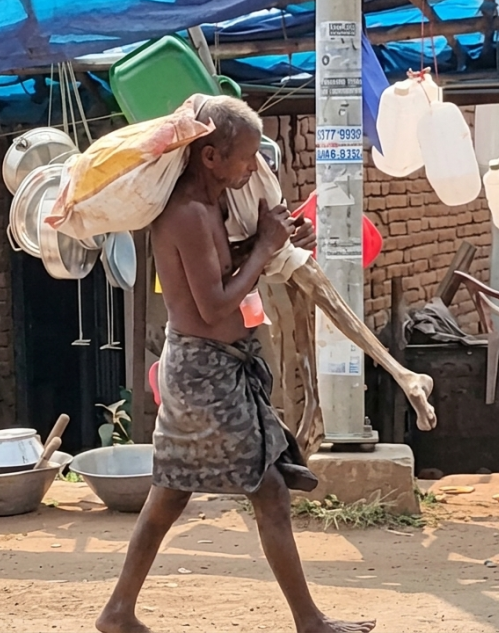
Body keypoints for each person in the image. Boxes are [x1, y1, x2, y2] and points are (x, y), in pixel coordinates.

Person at [96, 96, 375, 633]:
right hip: (204, 374)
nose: (254, 169)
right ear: (210, 157)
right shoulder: (186, 214)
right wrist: (265, 248)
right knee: (264, 491)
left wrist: (275, 241)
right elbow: (215, 304)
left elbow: (229, 265)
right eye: (247, 158)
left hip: (217, 367)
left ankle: (117, 611)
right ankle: (310, 622)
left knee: (172, 492)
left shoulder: (214, 208)